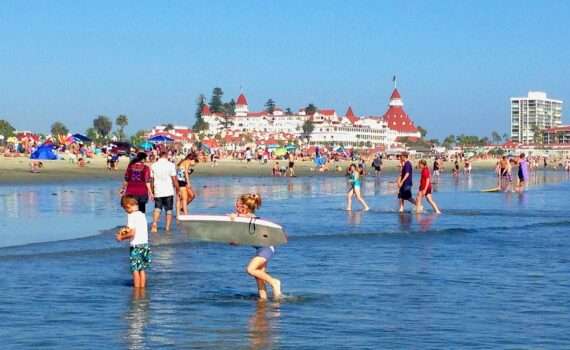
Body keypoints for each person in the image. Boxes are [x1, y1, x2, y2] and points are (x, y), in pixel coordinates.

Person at [231, 193, 282, 300]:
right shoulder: (243, 219)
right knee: (259, 277)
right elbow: (246, 236)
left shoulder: (250, 216)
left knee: (250, 269)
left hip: (266, 248)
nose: (237, 207)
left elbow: (251, 217)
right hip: (261, 249)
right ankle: (263, 300)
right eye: (236, 205)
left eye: (239, 205)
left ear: (246, 207)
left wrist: (235, 217)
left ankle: (274, 282)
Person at [116, 196, 151, 288]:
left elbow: (132, 233)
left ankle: (136, 289)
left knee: (135, 270)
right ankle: (142, 288)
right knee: (142, 270)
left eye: (125, 209)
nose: (125, 211)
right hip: (145, 245)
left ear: (127, 206)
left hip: (136, 246)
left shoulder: (131, 216)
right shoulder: (142, 214)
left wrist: (121, 237)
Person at [150, 150, 179, 232]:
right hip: (168, 190)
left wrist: (152, 191)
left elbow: (151, 180)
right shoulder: (171, 165)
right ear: (166, 156)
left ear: (159, 156)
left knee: (157, 208)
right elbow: (174, 179)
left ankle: (155, 223)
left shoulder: (154, 165)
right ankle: (167, 228)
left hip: (158, 190)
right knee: (169, 210)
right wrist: (178, 190)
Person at [176, 153, 197, 217]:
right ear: (192, 159)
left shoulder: (184, 162)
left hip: (181, 181)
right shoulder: (187, 162)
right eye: (195, 161)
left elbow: (182, 172)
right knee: (184, 198)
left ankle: (181, 209)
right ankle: (185, 215)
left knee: (192, 195)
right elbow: (185, 173)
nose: (195, 164)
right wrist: (188, 182)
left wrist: (189, 172)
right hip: (181, 181)